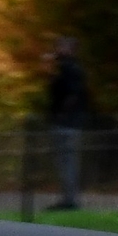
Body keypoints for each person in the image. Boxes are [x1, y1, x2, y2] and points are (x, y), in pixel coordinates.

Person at [47, 36, 90, 211]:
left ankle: (69, 200)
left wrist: (61, 114)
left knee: (67, 161)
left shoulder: (70, 69)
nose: (58, 49)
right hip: (68, 121)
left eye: (61, 47)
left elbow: (71, 94)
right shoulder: (66, 69)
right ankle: (68, 197)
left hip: (67, 123)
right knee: (65, 161)